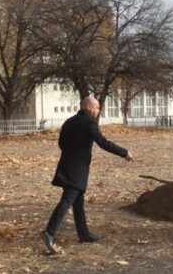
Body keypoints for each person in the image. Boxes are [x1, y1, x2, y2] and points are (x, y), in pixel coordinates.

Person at [40, 96, 134, 254]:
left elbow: (61, 143)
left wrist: (73, 152)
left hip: (67, 165)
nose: (98, 111)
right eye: (97, 108)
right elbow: (103, 143)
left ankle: (83, 234)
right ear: (89, 107)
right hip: (77, 169)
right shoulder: (89, 123)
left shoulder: (69, 122)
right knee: (67, 200)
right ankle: (49, 232)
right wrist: (124, 153)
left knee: (78, 202)